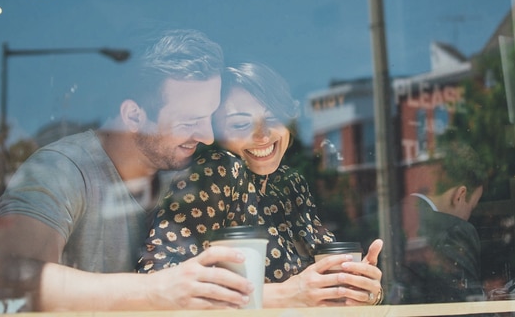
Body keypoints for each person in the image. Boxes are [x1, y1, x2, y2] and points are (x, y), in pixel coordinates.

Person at [0, 29, 256, 311]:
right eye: (189, 120)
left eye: (209, 116)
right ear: (133, 116)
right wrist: (157, 290)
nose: (207, 136)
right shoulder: (61, 170)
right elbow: (1, 279)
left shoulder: (190, 176)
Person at [139, 61, 385, 307]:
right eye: (240, 124)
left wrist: (363, 287)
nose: (263, 135)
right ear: (216, 132)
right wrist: (289, 295)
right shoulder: (218, 169)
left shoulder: (290, 184)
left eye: (273, 118)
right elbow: (157, 278)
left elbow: (328, 270)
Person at [399, 141, 488, 303]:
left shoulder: (385, 218)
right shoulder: (456, 230)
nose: (469, 215)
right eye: (472, 207)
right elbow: (468, 305)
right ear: (460, 195)